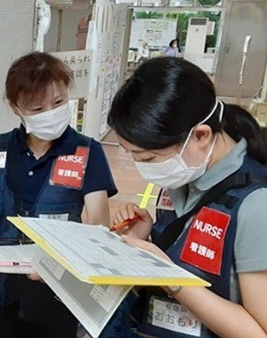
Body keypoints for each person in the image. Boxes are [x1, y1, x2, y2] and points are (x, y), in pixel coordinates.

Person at [104, 57, 267, 337]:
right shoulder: (185, 175)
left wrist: (170, 277)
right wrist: (149, 238)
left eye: (148, 157)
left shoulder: (255, 204)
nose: (141, 167)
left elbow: (258, 331)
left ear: (201, 135)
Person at [0, 52, 117, 338]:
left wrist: (69, 260)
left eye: (59, 102)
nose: (50, 113)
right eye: (37, 109)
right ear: (16, 108)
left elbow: (99, 227)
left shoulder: (87, 152)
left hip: (55, 290)